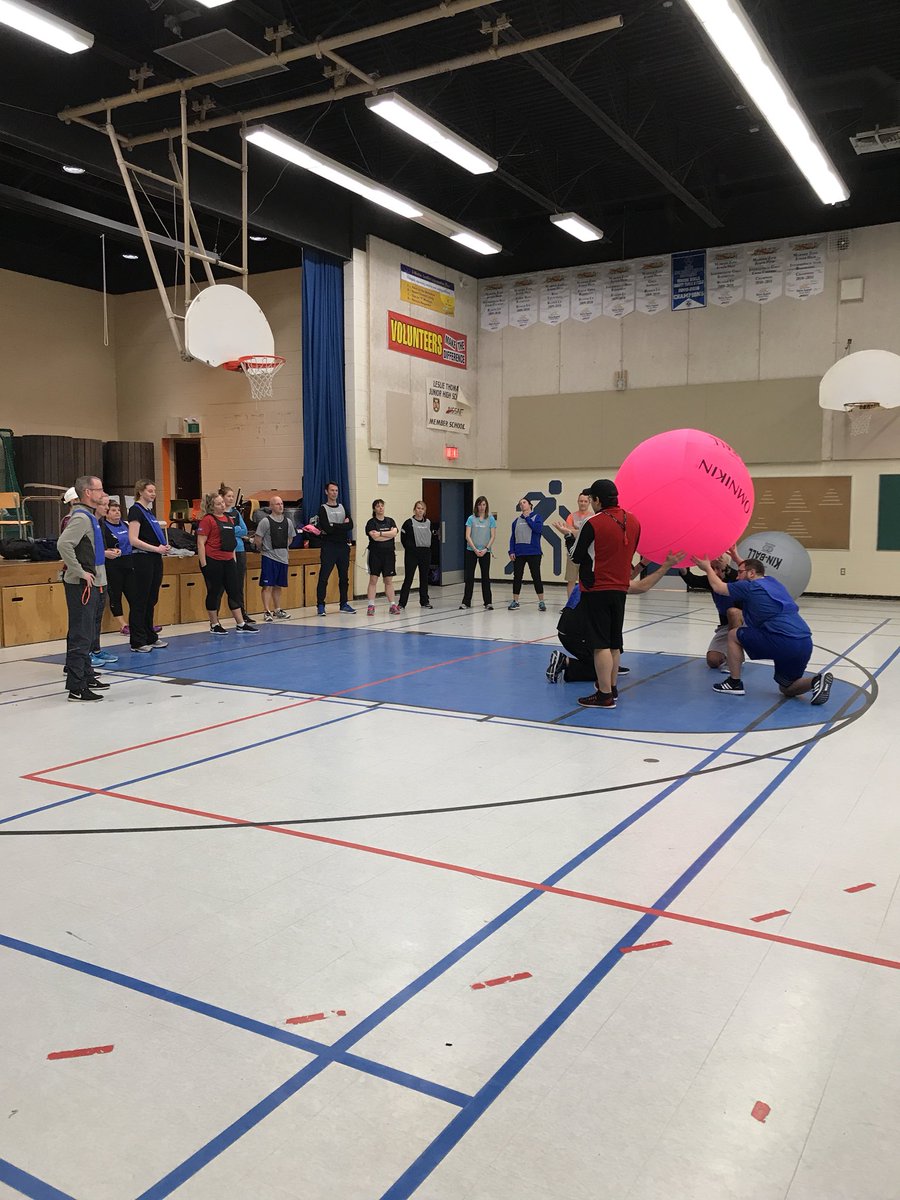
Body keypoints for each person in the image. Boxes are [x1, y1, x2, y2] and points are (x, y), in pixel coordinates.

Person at [693, 556, 833, 704]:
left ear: (751, 573)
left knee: (734, 635)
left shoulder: (749, 587)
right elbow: (755, 567)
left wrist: (707, 567)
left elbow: (718, 588)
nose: (736, 576)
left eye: (740, 573)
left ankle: (734, 683)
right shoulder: (773, 582)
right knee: (787, 688)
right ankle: (816, 681)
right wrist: (735, 556)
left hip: (783, 639)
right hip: (804, 641)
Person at [547, 553, 681, 685]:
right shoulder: (607, 583)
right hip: (574, 635)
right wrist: (666, 566)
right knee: (603, 671)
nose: (630, 574)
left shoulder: (598, 575)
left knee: (609, 653)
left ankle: (610, 664)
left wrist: (643, 563)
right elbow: (641, 586)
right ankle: (564, 661)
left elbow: (625, 581)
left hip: (571, 630)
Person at [569, 478, 641, 710]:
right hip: (621, 588)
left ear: (597, 500)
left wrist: (568, 536)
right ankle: (612, 687)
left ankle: (604, 695)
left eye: (591, 499)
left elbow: (575, 557)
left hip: (596, 588)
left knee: (599, 644)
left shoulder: (593, 522)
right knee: (614, 641)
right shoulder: (634, 521)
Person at [56, 475, 110, 701]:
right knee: (80, 634)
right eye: (99, 489)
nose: (102, 493)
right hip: (81, 585)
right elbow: (63, 544)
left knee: (87, 632)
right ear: (88, 492)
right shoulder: (80, 518)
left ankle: (86, 674)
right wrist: (80, 571)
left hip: (93, 581)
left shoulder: (90, 516)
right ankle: (76, 686)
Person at [197, 493, 259, 635]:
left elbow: (231, 542)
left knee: (234, 591)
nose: (223, 505)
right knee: (214, 592)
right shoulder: (207, 520)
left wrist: (233, 561)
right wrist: (204, 565)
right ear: (212, 507)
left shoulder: (228, 519)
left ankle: (240, 623)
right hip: (213, 560)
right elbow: (200, 543)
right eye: (219, 504)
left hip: (228, 560)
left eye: (222, 503)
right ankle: (214, 624)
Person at [128, 478, 170, 654]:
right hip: (142, 559)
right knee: (141, 599)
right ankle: (137, 640)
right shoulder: (135, 511)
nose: (153, 494)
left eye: (154, 491)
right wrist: (156, 548)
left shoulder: (149, 512)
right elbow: (133, 540)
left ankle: (149, 635)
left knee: (151, 599)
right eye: (150, 491)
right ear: (141, 492)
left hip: (154, 558)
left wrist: (163, 548)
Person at [253, 495, 296, 621]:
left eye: (281, 503)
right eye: (277, 504)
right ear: (271, 506)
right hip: (269, 558)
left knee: (278, 585)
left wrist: (283, 547)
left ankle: (277, 609)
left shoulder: (288, 522)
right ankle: (267, 611)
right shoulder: (265, 522)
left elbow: (290, 538)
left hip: (283, 558)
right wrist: (266, 549)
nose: (280, 506)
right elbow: (257, 540)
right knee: (268, 586)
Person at [316, 482, 355, 615]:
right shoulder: (323, 508)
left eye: (336, 490)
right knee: (324, 576)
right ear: (327, 492)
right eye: (332, 490)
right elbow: (326, 528)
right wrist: (340, 526)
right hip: (329, 546)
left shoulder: (343, 507)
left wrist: (334, 526)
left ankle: (343, 603)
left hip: (343, 546)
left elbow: (350, 525)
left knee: (344, 577)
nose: (334, 493)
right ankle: (320, 604)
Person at [101, 498, 135, 638]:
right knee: (116, 594)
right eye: (113, 510)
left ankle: (140, 622)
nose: (117, 513)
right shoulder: (103, 527)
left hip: (128, 561)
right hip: (113, 564)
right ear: (107, 513)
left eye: (118, 510)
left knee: (134, 593)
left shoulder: (125, 525)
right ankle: (122, 624)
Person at [705, 546, 744, 671]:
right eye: (712, 568)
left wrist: (726, 568)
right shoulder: (711, 581)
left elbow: (746, 577)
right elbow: (692, 580)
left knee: (733, 613)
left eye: (718, 568)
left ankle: (735, 660)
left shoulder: (736, 580)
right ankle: (728, 657)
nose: (715, 572)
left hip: (746, 624)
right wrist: (682, 567)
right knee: (713, 660)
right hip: (725, 627)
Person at [219, 483, 251, 625]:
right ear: (222, 497)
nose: (231, 499)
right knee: (221, 584)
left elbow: (244, 530)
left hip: (239, 549)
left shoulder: (236, 513)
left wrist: (232, 529)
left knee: (239, 583)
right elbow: (221, 531)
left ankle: (242, 613)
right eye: (229, 496)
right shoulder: (219, 515)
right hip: (225, 551)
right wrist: (233, 529)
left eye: (233, 496)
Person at [507, 497, 546, 611]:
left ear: (530, 505)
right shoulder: (516, 522)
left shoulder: (537, 517)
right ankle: (515, 600)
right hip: (519, 553)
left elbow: (538, 529)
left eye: (524, 502)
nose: (522, 505)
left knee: (536, 576)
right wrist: (511, 551)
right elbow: (513, 537)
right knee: (517, 577)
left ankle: (541, 601)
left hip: (534, 552)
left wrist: (528, 518)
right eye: (520, 504)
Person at [553, 491, 593, 600]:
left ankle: (583, 605)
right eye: (581, 501)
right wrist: (580, 532)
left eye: (585, 501)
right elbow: (568, 532)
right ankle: (570, 605)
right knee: (571, 580)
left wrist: (575, 531)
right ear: (578, 502)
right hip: (573, 551)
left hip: (588, 553)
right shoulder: (571, 516)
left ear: (589, 502)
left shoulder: (593, 516)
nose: (583, 503)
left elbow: (589, 534)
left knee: (585, 580)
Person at [364, 499, 400, 616]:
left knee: (388, 581)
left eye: (382, 506)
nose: (380, 508)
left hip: (389, 555)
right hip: (375, 554)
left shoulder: (390, 521)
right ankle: (371, 605)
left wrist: (380, 533)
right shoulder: (371, 523)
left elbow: (394, 533)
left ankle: (393, 605)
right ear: (374, 509)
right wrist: (387, 535)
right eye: (378, 506)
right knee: (373, 579)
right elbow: (374, 538)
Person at [460, 495, 496, 610]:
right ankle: (466, 602)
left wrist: (486, 549)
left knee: (485, 577)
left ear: (486, 506)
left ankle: (488, 602)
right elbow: (467, 535)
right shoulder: (471, 518)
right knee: (469, 577)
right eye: (480, 504)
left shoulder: (490, 519)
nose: (482, 507)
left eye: (484, 504)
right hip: (472, 551)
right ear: (477, 506)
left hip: (485, 551)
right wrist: (475, 549)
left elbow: (493, 536)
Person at [399, 500, 435, 610]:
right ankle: (402, 603)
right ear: (414, 509)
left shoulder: (429, 523)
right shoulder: (408, 523)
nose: (420, 510)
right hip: (412, 554)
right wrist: (411, 549)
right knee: (408, 578)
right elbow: (403, 539)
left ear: (425, 511)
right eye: (418, 508)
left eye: (422, 508)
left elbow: (432, 538)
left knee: (424, 578)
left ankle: (424, 601)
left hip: (425, 553)